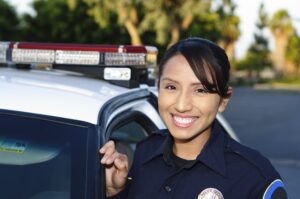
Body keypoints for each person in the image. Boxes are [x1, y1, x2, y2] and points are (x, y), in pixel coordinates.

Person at [100, 37, 288, 199]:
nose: (182, 105)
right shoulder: (145, 151)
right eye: (171, 87)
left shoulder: (253, 177)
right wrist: (117, 191)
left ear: (223, 100)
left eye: (200, 90)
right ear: (159, 89)